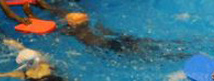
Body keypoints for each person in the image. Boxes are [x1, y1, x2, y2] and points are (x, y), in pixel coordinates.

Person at [54, 12, 189, 61]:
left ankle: (182, 55)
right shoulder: (93, 24)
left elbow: (57, 30)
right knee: (156, 46)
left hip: (109, 46)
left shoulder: (72, 31)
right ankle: (185, 52)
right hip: (118, 38)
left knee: (151, 55)